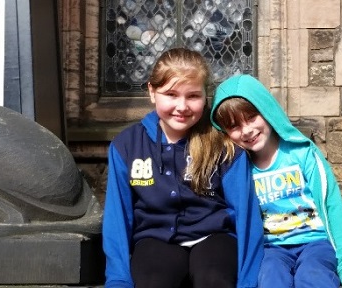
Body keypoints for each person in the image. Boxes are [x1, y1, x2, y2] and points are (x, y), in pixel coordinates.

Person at [102, 48, 263, 288]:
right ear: (152, 92)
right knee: (153, 282)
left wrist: (248, 282)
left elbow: (246, 214)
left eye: (193, 96)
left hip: (214, 237)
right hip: (155, 239)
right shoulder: (126, 146)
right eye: (171, 94)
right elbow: (118, 217)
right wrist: (118, 280)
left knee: (214, 280)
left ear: (205, 97)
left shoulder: (224, 145)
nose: (182, 106)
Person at [210, 74, 342, 288]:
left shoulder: (302, 154)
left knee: (313, 277)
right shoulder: (238, 167)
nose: (247, 130)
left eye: (252, 117)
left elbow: (333, 207)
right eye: (234, 126)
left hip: (316, 243)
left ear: (267, 109)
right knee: (271, 278)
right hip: (272, 250)